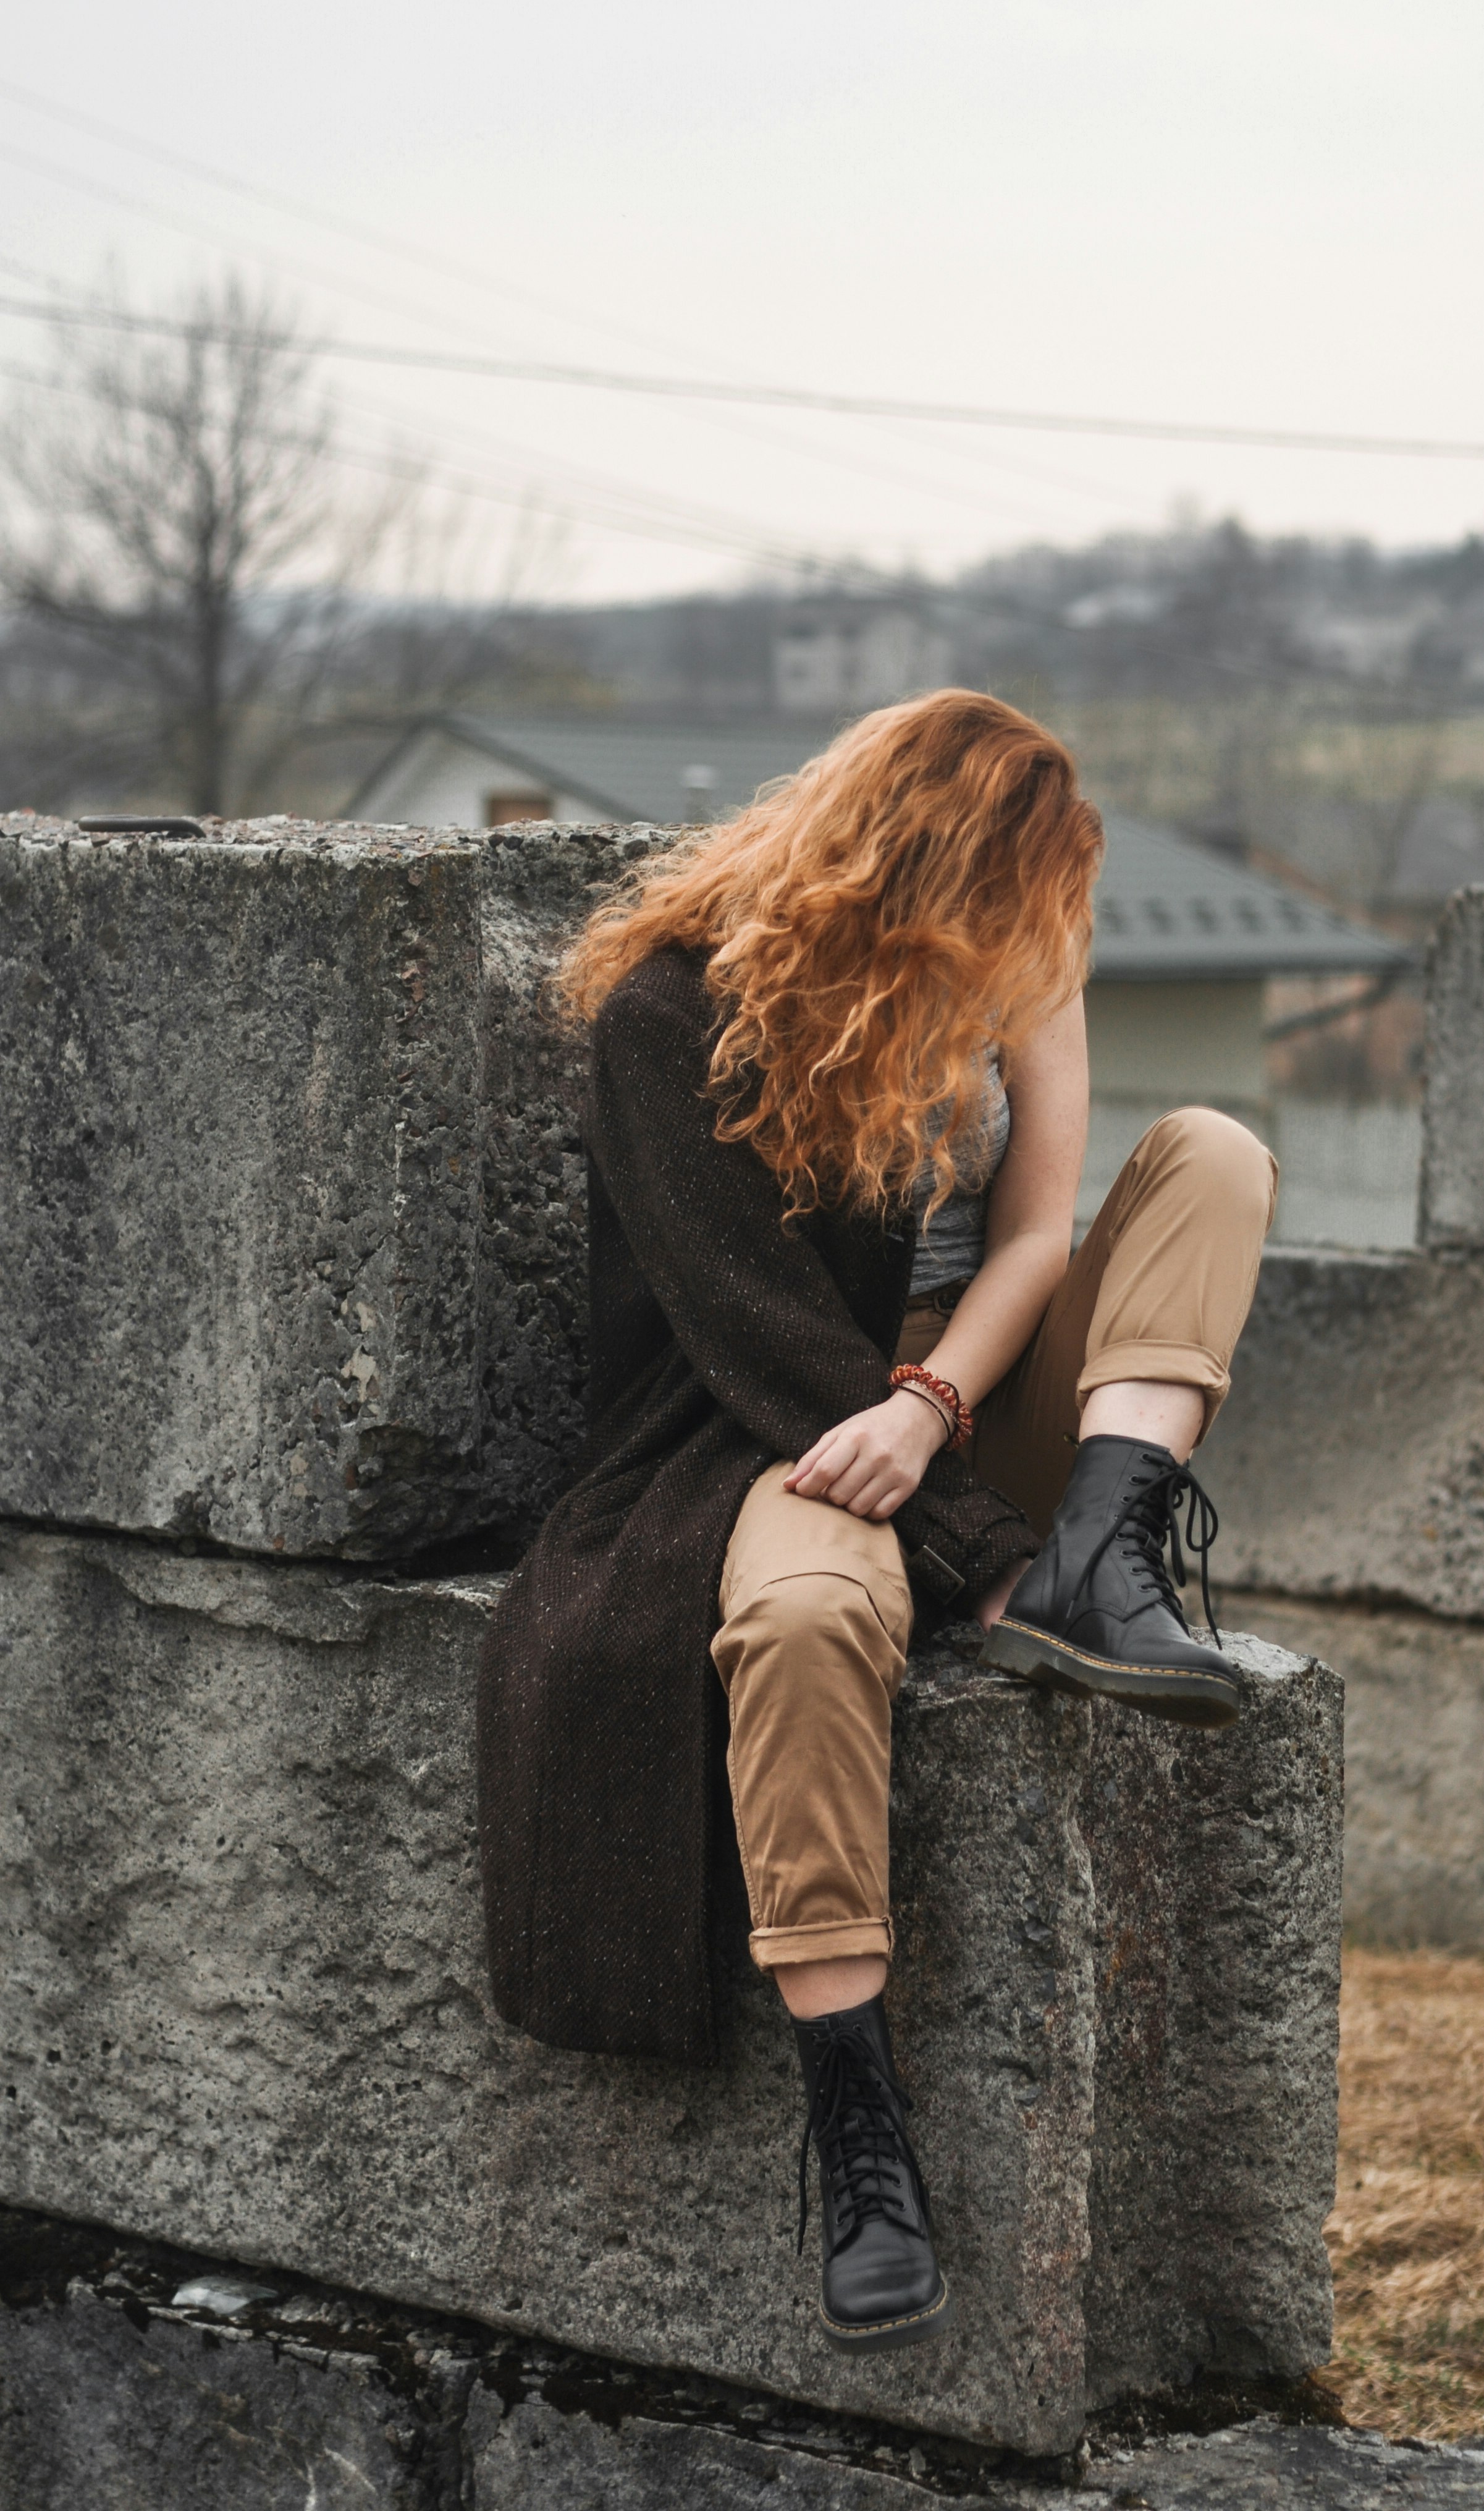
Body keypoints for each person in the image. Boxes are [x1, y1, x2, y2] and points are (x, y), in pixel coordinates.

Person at [475, 690, 1276, 2355]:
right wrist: (931, 1490)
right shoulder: (670, 1009)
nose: (1040, 938)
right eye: (1015, 892)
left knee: (1209, 1151)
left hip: (965, 1395)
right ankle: (862, 2129)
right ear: (911, 861)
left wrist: (946, 1416)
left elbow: (1040, 1234)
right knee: (801, 1623)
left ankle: (1107, 1550)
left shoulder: (1024, 961)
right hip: (769, 1416)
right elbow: (746, 1327)